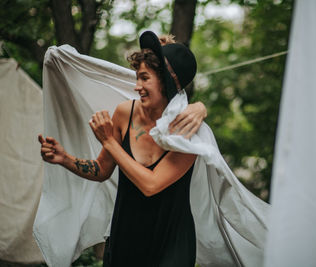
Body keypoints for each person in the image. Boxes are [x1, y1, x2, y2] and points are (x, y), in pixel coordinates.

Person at [38, 31, 204, 266]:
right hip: (125, 237)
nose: (137, 87)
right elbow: (102, 169)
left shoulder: (188, 131)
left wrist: (108, 142)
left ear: (166, 81)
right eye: (137, 77)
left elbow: (151, 185)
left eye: (144, 78)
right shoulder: (125, 113)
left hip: (170, 244)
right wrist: (65, 158)